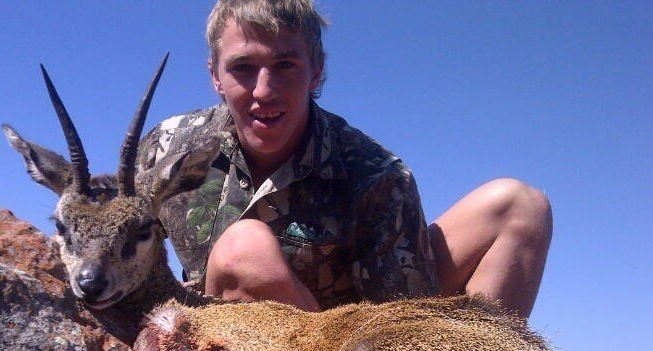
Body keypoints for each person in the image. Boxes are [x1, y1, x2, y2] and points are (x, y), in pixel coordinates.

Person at [136, 0, 552, 318]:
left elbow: (401, 316)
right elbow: (121, 250)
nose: (264, 90)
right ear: (215, 76)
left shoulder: (376, 174)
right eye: (243, 67)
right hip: (230, 337)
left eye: (285, 65)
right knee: (244, 253)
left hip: (350, 338)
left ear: (316, 72)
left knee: (519, 206)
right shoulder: (167, 148)